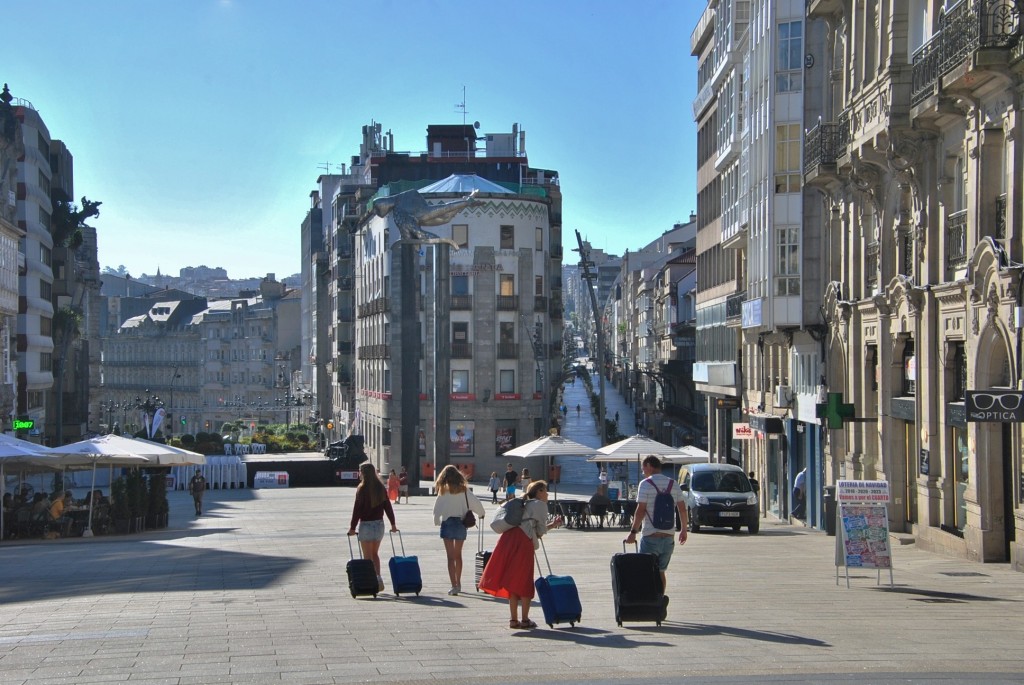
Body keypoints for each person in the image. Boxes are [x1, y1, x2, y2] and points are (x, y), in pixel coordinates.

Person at [479, 480, 562, 629]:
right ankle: (525, 619)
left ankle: (513, 619)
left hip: (508, 539)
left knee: (512, 579)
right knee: (524, 579)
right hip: (523, 542)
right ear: (539, 492)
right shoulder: (540, 505)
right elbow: (540, 531)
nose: (548, 494)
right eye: (545, 490)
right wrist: (553, 525)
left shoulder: (524, 503)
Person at [626, 455, 688, 591]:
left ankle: (647, 604)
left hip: (650, 537)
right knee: (661, 572)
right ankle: (659, 602)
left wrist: (632, 533)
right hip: (668, 538)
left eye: (643, 467)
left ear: (649, 465)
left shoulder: (645, 484)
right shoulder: (673, 484)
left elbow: (640, 511)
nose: (642, 471)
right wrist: (684, 530)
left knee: (646, 572)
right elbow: (682, 509)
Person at [432, 465, 485, 595]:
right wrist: (481, 513)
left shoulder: (443, 491)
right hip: (461, 524)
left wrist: (437, 520)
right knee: (458, 555)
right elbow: (476, 503)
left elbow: (436, 509)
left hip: (447, 523)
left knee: (450, 557)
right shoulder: (464, 490)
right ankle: (459, 583)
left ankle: (453, 585)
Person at [348, 462, 398, 593]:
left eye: (360, 471)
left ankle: (370, 582)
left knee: (367, 557)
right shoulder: (380, 487)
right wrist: (393, 524)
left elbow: (357, 510)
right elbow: (388, 507)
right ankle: (378, 578)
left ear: (363, 473)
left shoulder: (362, 488)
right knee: (375, 554)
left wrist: (352, 528)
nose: (359, 474)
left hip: (366, 525)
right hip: (379, 525)